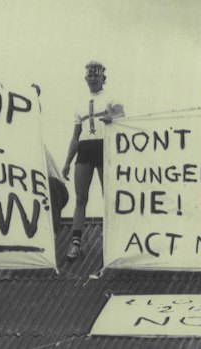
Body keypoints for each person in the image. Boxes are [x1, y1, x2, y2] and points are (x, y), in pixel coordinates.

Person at [62, 61, 124, 262]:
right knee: (80, 198)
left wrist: (111, 117)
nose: (93, 78)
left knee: (109, 195)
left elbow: (121, 112)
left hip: (104, 146)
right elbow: (75, 135)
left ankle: (111, 237)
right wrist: (67, 162)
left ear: (103, 78)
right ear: (85, 78)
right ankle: (75, 243)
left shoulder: (111, 96)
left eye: (96, 75)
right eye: (90, 75)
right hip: (85, 148)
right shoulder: (80, 102)